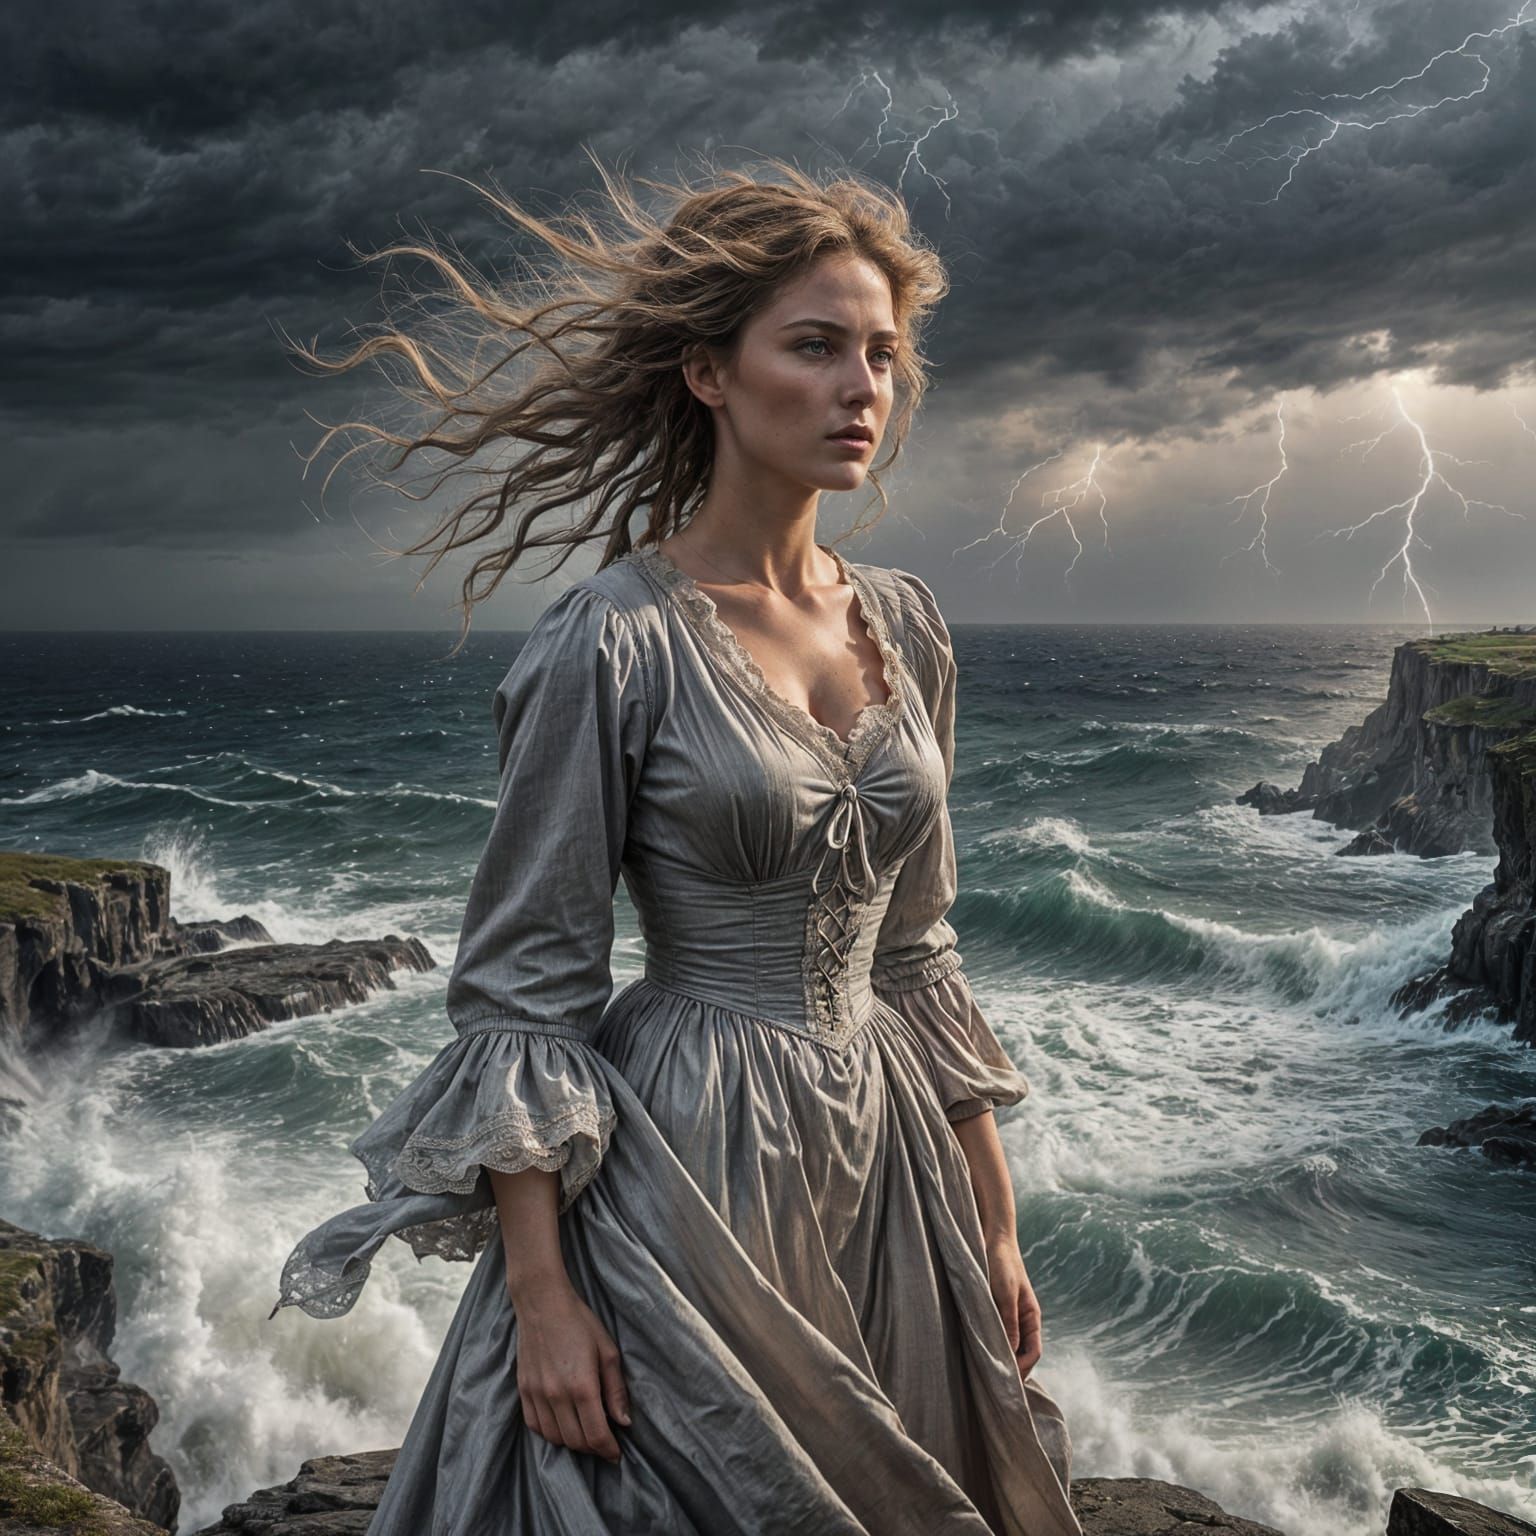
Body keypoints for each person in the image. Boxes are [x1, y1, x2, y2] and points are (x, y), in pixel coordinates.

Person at [270, 151, 1082, 1536]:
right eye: (814, 347)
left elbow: (915, 949)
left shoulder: (908, 623)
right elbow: (526, 993)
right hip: (693, 1153)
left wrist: (994, 1228)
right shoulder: (614, 639)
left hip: (888, 1161)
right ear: (708, 372)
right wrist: (543, 1300)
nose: (861, 388)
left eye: (883, 354)